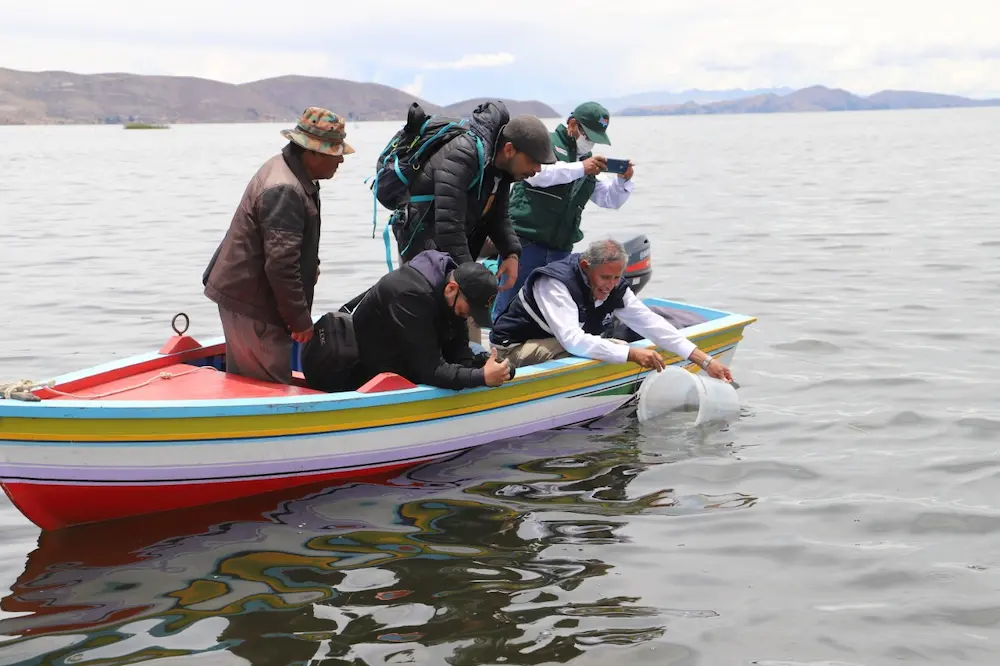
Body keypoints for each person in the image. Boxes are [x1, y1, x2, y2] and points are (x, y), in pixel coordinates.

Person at [202, 107, 353, 384]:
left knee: (253, 381)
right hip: (254, 304)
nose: (341, 160)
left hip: (251, 297)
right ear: (312, 153)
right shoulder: (285, 189)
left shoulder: (290, 172)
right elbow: (281, 266)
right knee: (265, 385)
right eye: (335, 152)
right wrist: (299, 320)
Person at [489, 239, 733, 381]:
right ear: (585, 266)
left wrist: (705, 361)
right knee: (614, 350)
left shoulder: (613, 286)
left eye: (617, 277)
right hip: (510, 349)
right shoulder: (555, 284)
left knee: (616, 347)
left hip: (551, 341)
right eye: (605, 277)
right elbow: (573, 341)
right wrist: (632, 355)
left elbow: (651, 324)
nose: (611, 285)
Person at [391, 102, 558, 292]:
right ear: (510, 149)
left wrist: (511, 253)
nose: (537, 170)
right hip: (421, 247)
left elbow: (498, 217)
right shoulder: (463, 154)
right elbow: (448, 225)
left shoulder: (499, 168)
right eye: (532, 161)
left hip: (447, 247)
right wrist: (470, 277)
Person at [491, 102, 634, 320]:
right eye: (589, 135)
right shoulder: (544, 142)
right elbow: (538, 174)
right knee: (511, 299)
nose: (591, 142)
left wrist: (623, 181)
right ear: (573, 124)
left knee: (552, 305)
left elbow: (609, 199)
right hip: (525, 242)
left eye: (596, 138)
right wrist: (581, 168)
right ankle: (499, 347)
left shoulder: (587, 162)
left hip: (560, 248)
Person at [300, 250, 514, 393]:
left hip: (403, 357)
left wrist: (487, 367)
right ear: (451, 289)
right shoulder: (411, 297)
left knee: (475, 351)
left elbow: (459, 350)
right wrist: (481, 378)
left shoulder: (450, 289)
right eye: (470, 309)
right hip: (360, 372)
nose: (469, 316)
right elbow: (430, 371)